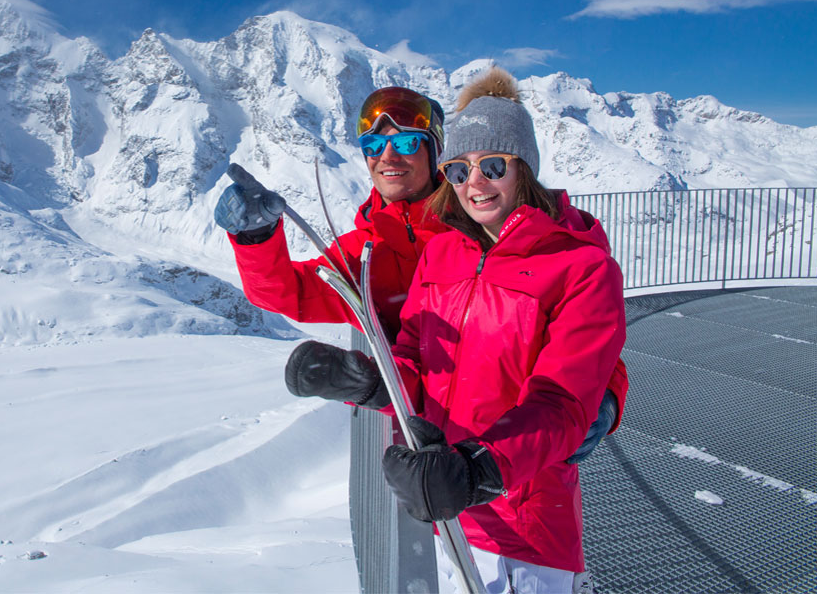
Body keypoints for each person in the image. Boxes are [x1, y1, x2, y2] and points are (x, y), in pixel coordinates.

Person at [283, 68, 627, 593]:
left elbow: (562, 404)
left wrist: (477, 471)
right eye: (460, 171)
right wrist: (369, 381)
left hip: (524, 527)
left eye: (492, 166)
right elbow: (420, 363)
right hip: (452, 511)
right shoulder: (444, 253)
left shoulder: (581, 267)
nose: (475, 184)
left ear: (524, 170)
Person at [214, 85, 625, 459]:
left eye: (407, 142)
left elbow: (580, 327)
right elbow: (290, 292)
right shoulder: (370, 250)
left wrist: (605, 395)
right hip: (422, 442)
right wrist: (257, 239)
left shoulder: (493, 226)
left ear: (436, 152)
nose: (387, 157)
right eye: (373, 145)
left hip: (515, 447)